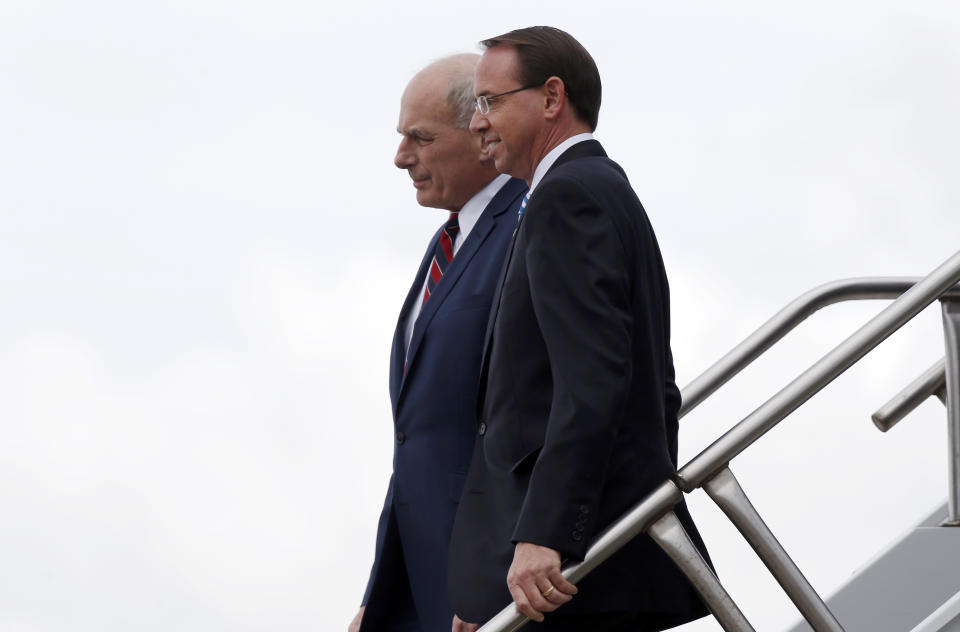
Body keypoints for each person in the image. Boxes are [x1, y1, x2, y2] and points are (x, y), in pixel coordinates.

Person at [447, 27, 712, 631]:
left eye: (489, 101)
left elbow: (594, 380)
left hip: (576, 575)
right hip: (573, 567)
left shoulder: (568, 197)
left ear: (551, 98)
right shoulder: (591, 189)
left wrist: (544, 535)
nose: (477, 122)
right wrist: (487, 587)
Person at [349, 54, 527, 632]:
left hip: (490, 593)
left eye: (420, 139)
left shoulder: (528, 228)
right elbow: (418, 440)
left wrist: (489, 582)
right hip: (427, 594)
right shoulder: (447, 241)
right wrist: (379, 597)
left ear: (481, 135)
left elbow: (525, 418)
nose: (402, 158)